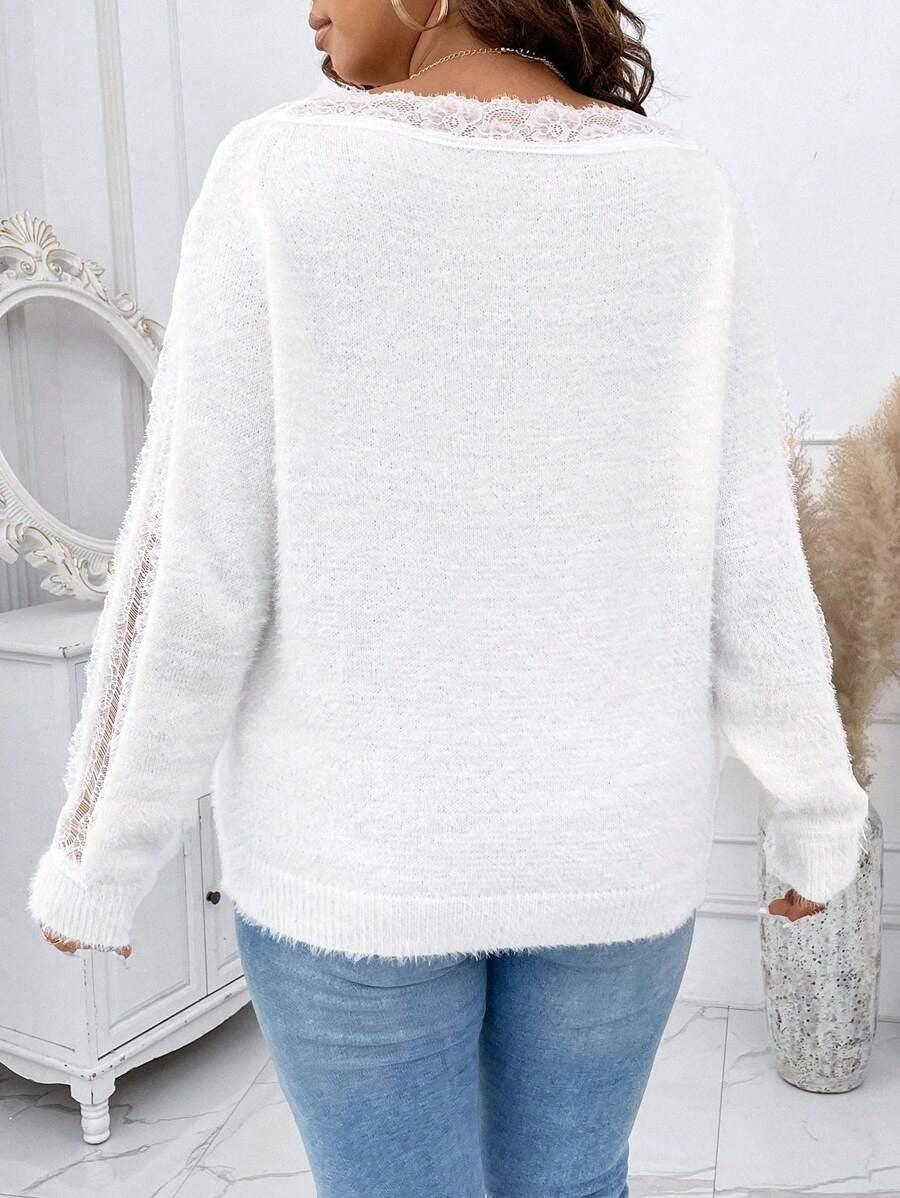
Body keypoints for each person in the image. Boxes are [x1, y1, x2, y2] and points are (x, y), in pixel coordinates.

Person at [28, 1, 870, 1194]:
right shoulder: (684, 196)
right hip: (613, 859)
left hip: (356, 864)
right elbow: (753, 554)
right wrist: (815, 809)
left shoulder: (278, 177)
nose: (309, 10)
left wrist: (103, 853)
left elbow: (195, 568)